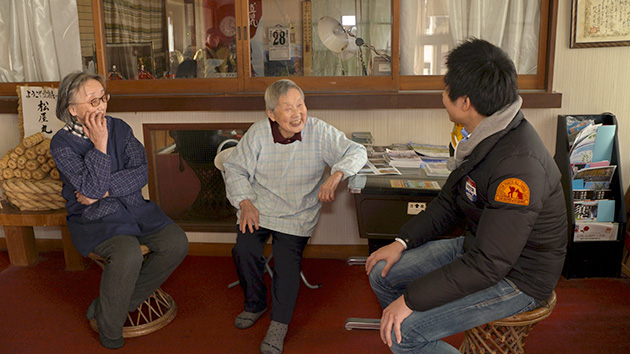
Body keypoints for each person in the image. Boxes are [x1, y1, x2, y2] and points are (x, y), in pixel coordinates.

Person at [365, 38, 567, 354]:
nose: (442, 96)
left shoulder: (518, 168)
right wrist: (401, 242)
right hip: (480, 248)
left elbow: (489, 265)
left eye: (447, 90)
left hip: (518, 277)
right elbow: (449, 200)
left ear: (465, 103)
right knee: (382, 273)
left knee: (406, 332)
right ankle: (418, 339)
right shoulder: (486, 134)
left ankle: (411, 339)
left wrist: (411, 301)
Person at [223, 79, 367, 354]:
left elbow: (356, 151)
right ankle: (255, 303)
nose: (297, 113)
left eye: (300, 104)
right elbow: (235, 168)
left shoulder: (319, 131)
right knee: (243, 249)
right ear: (271, 114)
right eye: (287, 108)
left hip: (298, 212)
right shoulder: (258, 133)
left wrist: (336, 175)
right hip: (260, 206)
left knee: (287, 265)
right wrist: (245, 202)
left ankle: (278, 325)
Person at [50, 72, 189, 349]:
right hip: (94, 219)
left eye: (103, 97)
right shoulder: (61, 144)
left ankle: (108, 304)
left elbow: (141, 174)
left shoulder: (121, 128)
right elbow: (88, 189)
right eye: (92, 101)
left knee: (176, 243)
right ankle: (110, 329)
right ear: (72, 109)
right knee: (127, 255)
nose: (101, 105)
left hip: (136, 209)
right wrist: (100, 144)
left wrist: (103, 191)